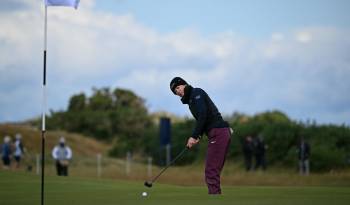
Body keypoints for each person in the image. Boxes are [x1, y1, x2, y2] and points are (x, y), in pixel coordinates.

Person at [170, 77, 231, 195]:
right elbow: (203, 120)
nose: (177, 91)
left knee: (211, 170)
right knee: (213, 169)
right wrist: (198, 136)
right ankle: (216, 195)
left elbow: (203, 115)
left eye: (178, 87)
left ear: (184, 84)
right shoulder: (191, 102)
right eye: (175, 92)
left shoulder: (196, 93)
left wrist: (194, 136)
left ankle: (214, 198)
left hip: (218, 133)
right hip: (218, 133)